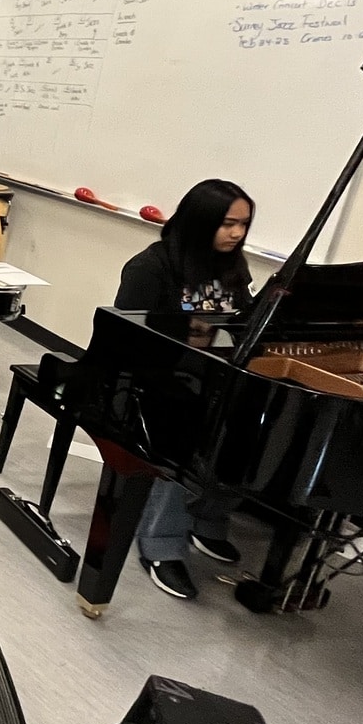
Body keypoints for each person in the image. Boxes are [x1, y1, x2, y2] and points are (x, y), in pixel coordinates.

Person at [115, 178, 256, 600]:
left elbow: (243, 323)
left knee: (257, 425)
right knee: (186, 428)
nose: (237, 234)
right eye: (227, 224)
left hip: (208, 379)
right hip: (149, 384)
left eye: (244, 225)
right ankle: (160, 544)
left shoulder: (234, 268)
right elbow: (125, 339)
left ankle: (209, 521)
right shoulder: (152, 267)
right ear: (199, 222)